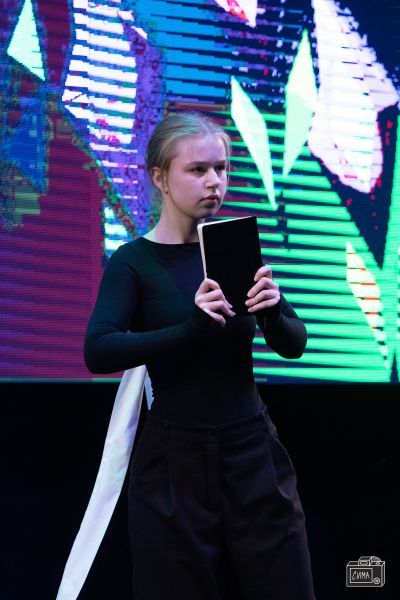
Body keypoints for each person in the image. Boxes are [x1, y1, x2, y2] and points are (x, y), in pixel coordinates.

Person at [84, 112, 315, 600]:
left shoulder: (234, 247)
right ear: (160, 177)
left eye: (221, 168)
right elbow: (99, 350)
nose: (215, 181)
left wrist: (273, 310)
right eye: (198, 169)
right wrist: (189, 329)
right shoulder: (134, 261)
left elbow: (294, 344)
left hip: (252, 454)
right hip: (174, 462)